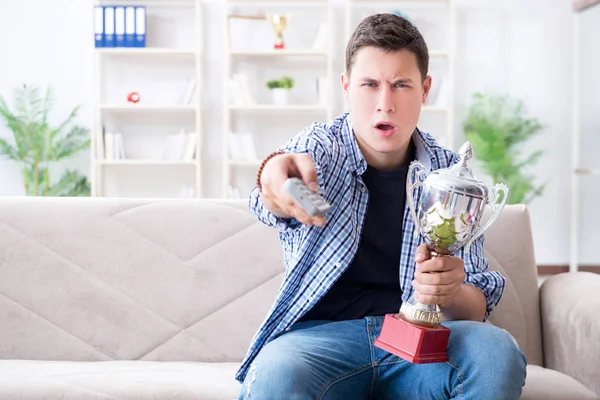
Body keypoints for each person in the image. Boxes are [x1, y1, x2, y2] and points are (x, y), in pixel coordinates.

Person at [236, 13, 527, 400]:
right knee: (276, 373)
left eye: (401, 85)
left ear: (425, 90)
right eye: (370, 84)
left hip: (419, 345)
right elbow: (272, 189)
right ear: (346, 87)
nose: (384, 104)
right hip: (321, 344)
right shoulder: (322, 149)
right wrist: (275, 178)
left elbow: (473, 309)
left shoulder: (448, 174)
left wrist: (450, 289)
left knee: (495, 352)